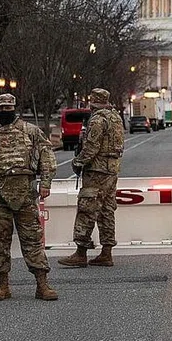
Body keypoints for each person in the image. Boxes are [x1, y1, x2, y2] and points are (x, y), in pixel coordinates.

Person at [0, 93, 57, 301]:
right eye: (2, 108)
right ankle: (2, 285)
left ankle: (42, 285)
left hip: (25, 194)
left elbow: (46, 155)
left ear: (14, 108)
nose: (5, 111)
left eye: (9, 108)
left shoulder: (30, 131)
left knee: (33, 239)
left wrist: (45, 183)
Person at [58, 88, 124, 269]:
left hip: (96, 171)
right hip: (112, 170)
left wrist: (78, 162)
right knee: (107, 210)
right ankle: (107, 251)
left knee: (87, 209)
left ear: (93, 102)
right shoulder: (116, 118)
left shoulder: (97, 120)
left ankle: (81, 252)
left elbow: (91, 148)